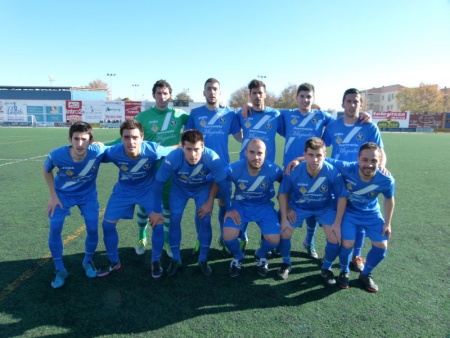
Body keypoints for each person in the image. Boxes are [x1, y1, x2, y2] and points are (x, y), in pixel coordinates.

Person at [105, 80, 188, 257]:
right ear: (154, 95)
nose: (162, 97)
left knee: (166, 208)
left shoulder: (180, 115)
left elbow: (199, 124)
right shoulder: (142, 117)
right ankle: (141, 235)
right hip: (149, 172)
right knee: (144, 208)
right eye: (159, 93)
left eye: (166, 93)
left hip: (171, 171)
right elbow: (126, 138)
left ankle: (166, 241)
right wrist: (101, 146)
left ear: (170, 95)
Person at [96, 119, 174, 279]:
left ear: (142, 138)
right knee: (107, 225)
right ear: (121, 138)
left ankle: (156, 261)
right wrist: (96, 146)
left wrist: (201, 150)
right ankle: (114, 261)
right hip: (123, 191)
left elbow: (175, 149)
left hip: (148, 191)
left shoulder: (154, 150)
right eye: (126, 137)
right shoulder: (114, 152)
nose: (131, 142)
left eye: (135, 137)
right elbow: (98, 151)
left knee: (158, 224)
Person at [323, 88, 387, 272]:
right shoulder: (333, 126)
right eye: (348, 101)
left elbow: (380, 153)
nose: (352, 105)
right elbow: (322, 148)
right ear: (342, 104)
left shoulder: (369, 126)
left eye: (356, 101)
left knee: (359, 215)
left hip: (362, 178)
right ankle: (314, 242)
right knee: (336, 213)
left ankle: (356, 255)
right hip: (337, 177)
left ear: (361, 104)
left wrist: (379, 169)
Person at [149, 129, 228, 277]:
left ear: (203, 146)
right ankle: (176, 258)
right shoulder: (173, 157)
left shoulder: (212, 157)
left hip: (202, 189)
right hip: (180, 190)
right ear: (182, 147)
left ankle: (203, 259)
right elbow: (158, 183)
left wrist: (211, 202)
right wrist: (156, 210)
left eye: (197, 149)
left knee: (205, 220)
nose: (193, 154)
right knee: (174, 219)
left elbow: (221, 182)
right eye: (189, 149)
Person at [43, 122, 105, 288]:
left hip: (88, 196)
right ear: (70, 138)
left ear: (91, 140)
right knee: (55, 229)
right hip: (62, 195)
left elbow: (117, 150)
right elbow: (46, 169)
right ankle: (59, 269)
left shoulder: (97, 151)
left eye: (84, 139)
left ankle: (88, 261)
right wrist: (53, 195)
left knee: (92, 228)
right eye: (76, 139)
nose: (79, 144)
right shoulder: (57, 155)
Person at [185, 78, 243, 255]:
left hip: (223, 168)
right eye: (208, 89)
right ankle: (201, 239)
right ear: (204, 92)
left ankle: (224, 238)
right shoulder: (195, 114)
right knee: (202, 209)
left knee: (225, 206)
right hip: (200, 170)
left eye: (215, 89)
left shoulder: (229, 115)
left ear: (220, 92)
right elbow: (186, 139)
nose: (212, 92)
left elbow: (240, 137)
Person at [327, 142, 395, 292]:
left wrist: (387, 223)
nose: (369, 164)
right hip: (349, 212)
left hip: (371, 213)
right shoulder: (347, 167)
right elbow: (323, 158)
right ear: (358, 159)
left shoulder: (386, 179)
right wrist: (297, 160)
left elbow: (389, 199)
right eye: (365, 160)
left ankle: (366, 274)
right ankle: (344, 270)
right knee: (347, 244)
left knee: (382, 246)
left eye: (374, 161)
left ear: (379, 161)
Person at [278, 137, 348, 282]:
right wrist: (286, 214)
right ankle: (286, 263)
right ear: (305, 155)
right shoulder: (295, 170)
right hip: (299, 206)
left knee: (334, 236)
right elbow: (283, 193)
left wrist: (337, 223)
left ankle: (326, 268)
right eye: (311, 155)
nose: (315, 160)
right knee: (284, 231)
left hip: (324, 207)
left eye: (319, 156)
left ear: (325, 155)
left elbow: (342, 197)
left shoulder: (333, 172)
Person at [222, 139, 283, 278]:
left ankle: (260, 254)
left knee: (274, 240)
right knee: (228, 236)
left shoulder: (273, 169)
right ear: (245, 153)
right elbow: (217, 181)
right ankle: (238, 256)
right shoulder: (235, 168)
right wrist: (228, 208)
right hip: (240, 206)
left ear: (265, 154)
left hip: (264, 207)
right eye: (252, 152)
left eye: (259, 153)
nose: (256, 157)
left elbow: (286, 183)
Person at [237, 79, 282, 164]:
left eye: (260, 93)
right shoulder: (242, 113)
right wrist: (221, 104)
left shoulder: (275, 115)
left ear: (265, 95)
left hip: (267, 163)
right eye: (254, 93)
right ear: (250, 95)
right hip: (245, 162)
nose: (257, 96)